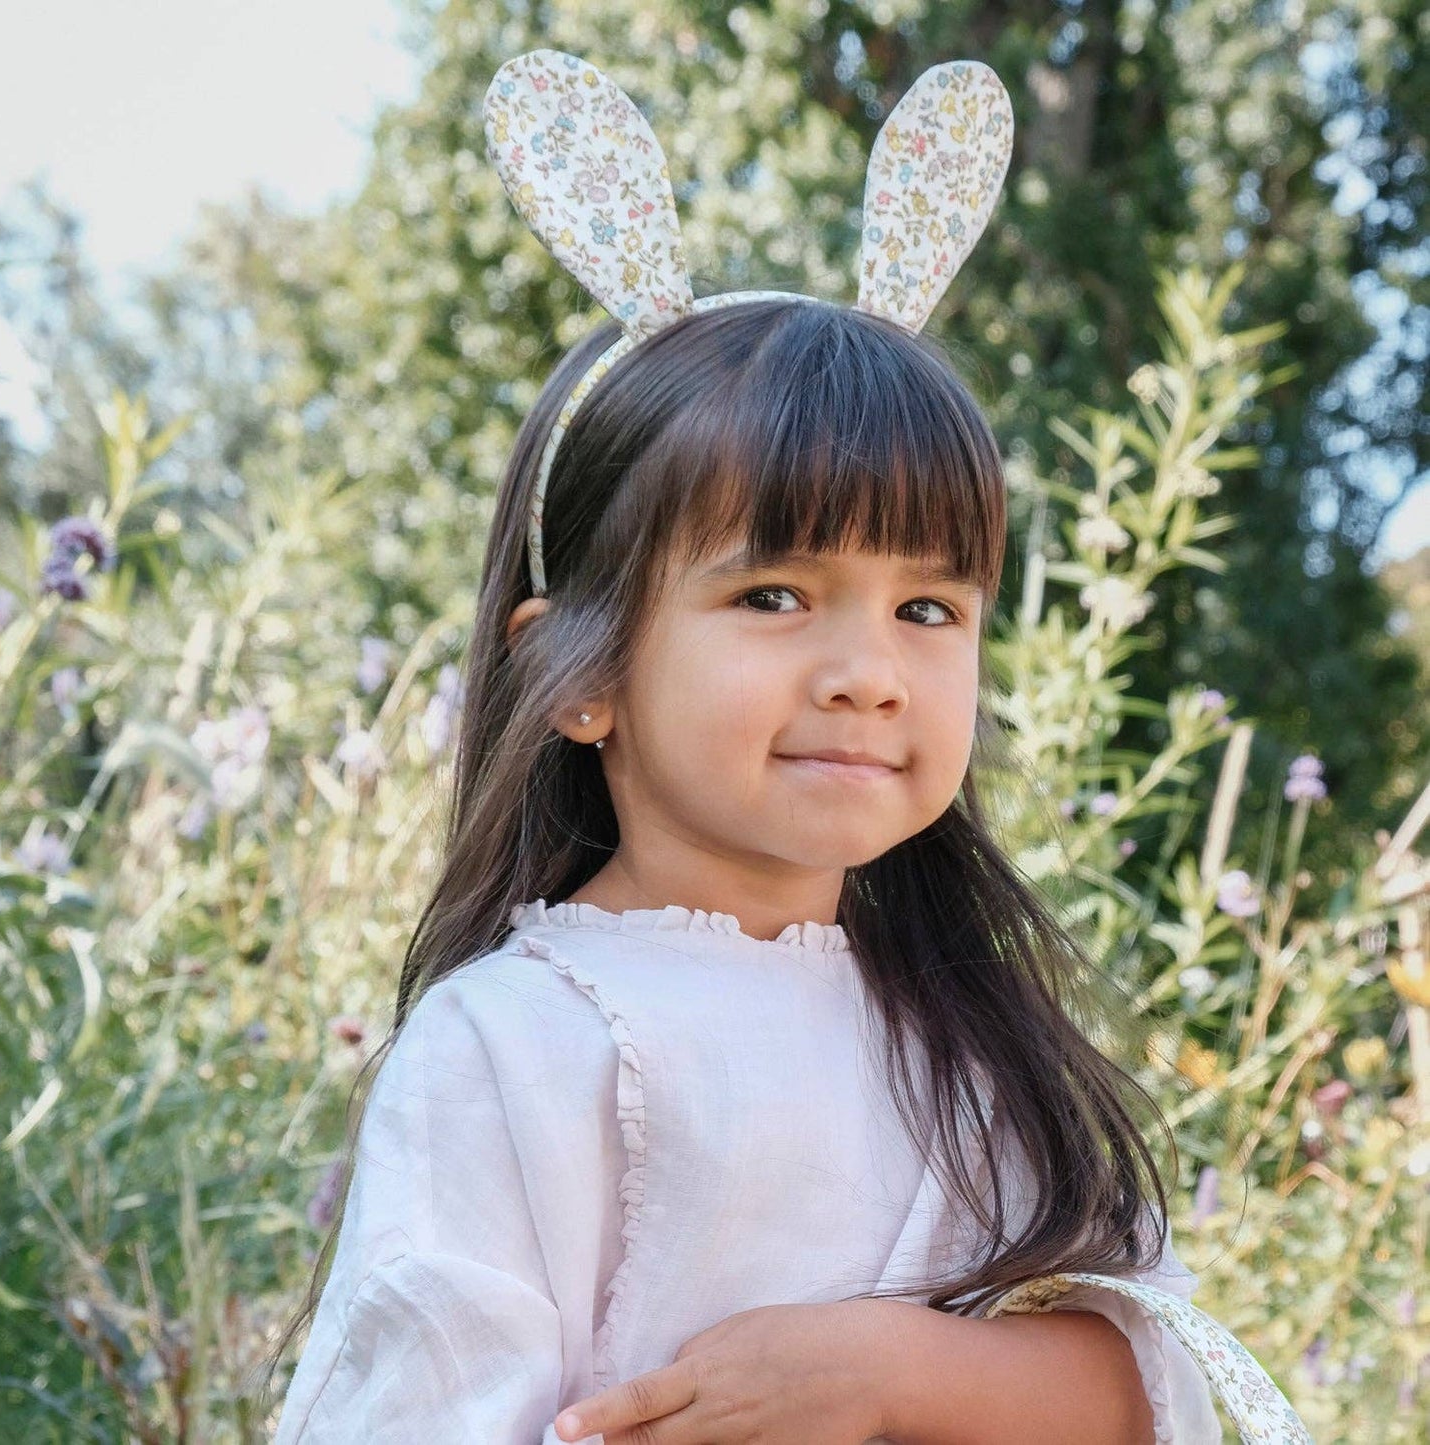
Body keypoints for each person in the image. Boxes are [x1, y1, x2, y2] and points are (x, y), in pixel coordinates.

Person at [266, 49, 1310, 1445]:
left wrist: (887, 1374)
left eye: (928, 606)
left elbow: (1146, 1387)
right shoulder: (517, 1044)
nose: (869, 673)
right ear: (573, 674)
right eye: (773, 595)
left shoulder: (976, 1039)